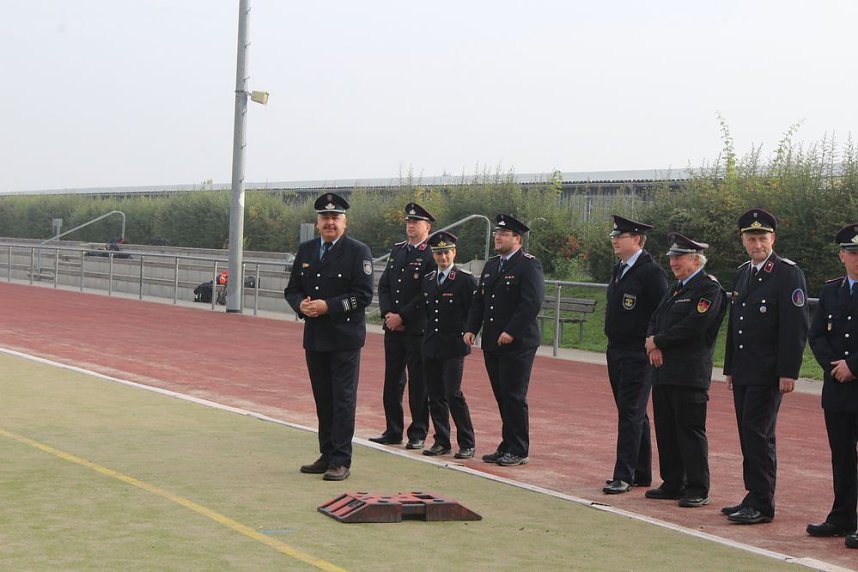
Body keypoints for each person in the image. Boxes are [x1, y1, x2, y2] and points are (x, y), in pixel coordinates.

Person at [722, 207, 809, 524]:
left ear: (773, 239)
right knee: (747, 434)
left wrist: (788, 371)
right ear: (743, 240)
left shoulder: (787, 273)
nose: (756, 244)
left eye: (762, 238)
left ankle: (762, 503)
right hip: (745, 369)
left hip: (768, 370)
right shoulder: (743, 272)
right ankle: (753, 494)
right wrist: (730, 367)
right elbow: (736, 324)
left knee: (758, 434)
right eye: (751, 238)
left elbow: (795, 327)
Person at [284, 192, 374, 481]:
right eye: (324, 218)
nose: (329, 222)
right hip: (316, 337)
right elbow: (292, 289)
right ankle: (327, 453)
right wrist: (300, 305)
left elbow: (363, 296)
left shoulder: (358, 252)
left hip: (344, 338)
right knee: (323, 399)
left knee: (343, 400)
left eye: (335, 218)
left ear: (345, 222)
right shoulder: (307, 250)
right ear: (317, 222)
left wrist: (328, 306)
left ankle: (341, 460)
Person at [644, 233, 726, 507]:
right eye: (672, 258)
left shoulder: (708, 289)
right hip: (664, 370)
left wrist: (659, 340)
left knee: (689, 430)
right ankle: (673, 482)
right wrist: (653, 342)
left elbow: (695, 326)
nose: (673, 263)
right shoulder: (675, 288)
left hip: (689, 372)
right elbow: (655, 318)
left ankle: (697, 487)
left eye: (679, 258)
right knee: (666, 429)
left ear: (696, 260)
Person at [464, 214, 544, 467]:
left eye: (503, 234)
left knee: (514, 396)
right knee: (502, 395)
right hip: (493, 341)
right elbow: (480, 300)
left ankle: (519, 449)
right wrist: (471, 328)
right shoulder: (492, 265)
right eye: (496, 234)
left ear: (517, 239)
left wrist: (511, 331)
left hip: (517, 343)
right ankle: (507, 444)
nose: (497, 238)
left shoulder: (528, 265)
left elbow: (531, 303)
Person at [602, 215, 668, 494]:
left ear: (637, 240)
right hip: (616, 348)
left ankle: (623, 475)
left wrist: (655, 342)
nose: (615, 240)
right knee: (633, 412)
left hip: (637, 352)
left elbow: (663, 310)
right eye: (614, 236)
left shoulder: (650, 272)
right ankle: (641, 472)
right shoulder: (620, 268)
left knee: (630, 413)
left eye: (621, 236)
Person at [806, 223, 858, 547]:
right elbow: (816, 336)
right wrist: (835, 367)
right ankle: (842, 517)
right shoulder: (830, 291)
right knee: (841, 456)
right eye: (852, 252)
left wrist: (854, 366)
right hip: (837, 388)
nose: (857, 258)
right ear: (841, 256)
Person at [369, 203, 435, 450]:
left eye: (416, 222)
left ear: (427, 227)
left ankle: (418, 432)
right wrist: (388, 313)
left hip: (417, 328)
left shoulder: (431, 254)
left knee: (419, 383)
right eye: (409, 222)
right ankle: (393, 430)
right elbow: (385, 285)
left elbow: (426, 292)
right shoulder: (398, 250)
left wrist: (402, 317)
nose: (411, 225)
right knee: (393, 381)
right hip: (393, 327)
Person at [419, 231, 477, 459]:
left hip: (453, 345)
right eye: (438, 253)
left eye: (446, 252)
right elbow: (427, 312)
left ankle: (467, 442)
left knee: (453, 394)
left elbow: (474, 309)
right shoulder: (428, 280)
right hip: (431, 345)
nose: (442, 257)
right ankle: (442, 440)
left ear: (454, 253)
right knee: (434, 395)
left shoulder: (464, 280)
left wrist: (471, 331)